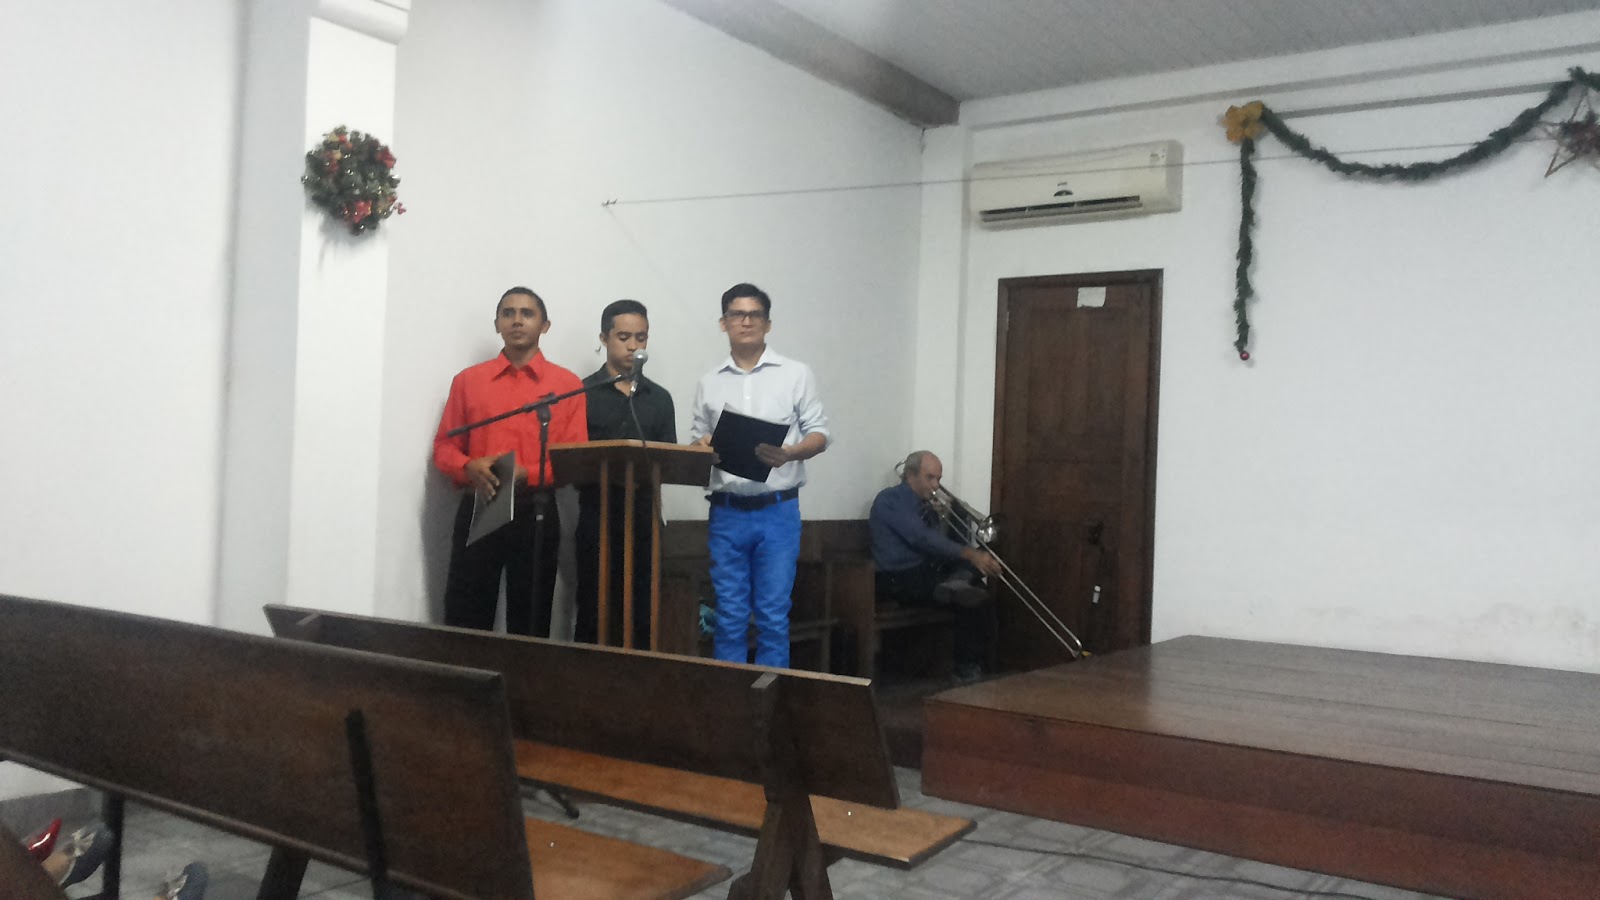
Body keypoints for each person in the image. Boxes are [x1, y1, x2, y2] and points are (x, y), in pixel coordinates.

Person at [433, 286, 587, 637]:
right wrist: (467, 467)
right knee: (466, 616)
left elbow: (575, 459)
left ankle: (524, 676)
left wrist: (526, 474)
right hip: (481, 502)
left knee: (530, 620)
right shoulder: (468, 381)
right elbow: (444, 447)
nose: (517, 320)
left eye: (527, 313)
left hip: (536, 507)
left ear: (545, 325)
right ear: (497, 324)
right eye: (508, 313)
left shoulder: (566, 384)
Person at [689, 283, 830, 668]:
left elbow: (820, 434)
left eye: (755, 315)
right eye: (737, 314)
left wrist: (790, 453)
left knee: (772, 616)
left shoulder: (796, 374)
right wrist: (701, 446)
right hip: (727, 511)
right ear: (723, 323)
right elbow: (697, 440)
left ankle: (771, 696)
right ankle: (729, 696)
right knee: (730, 616)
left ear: (768, 324)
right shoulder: (709, 382)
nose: (746, 321)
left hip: (777, 511)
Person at [574, 299, 677, 648]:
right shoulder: (582, 392)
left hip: (644, 514)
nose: (633, 346)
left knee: (642, 607)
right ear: (604, 338)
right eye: (623, 337)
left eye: (641, 337)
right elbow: (571, 456)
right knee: (593, 605)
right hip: (597, 512)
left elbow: (669, 459)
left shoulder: (659, 398)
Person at [869, 450, 1003, 681]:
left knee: (977, 587)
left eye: (938, 479)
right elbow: (920, 539)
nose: (936, 485)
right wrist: (970, 554)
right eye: (930, 477)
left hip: (925, 572)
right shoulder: (889, 500)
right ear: (910, 475)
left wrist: (942, 519)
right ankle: (965, 667)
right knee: (969, 595)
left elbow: (938, 543)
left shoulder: (926, 506)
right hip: (896, 577)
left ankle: (955, 585)